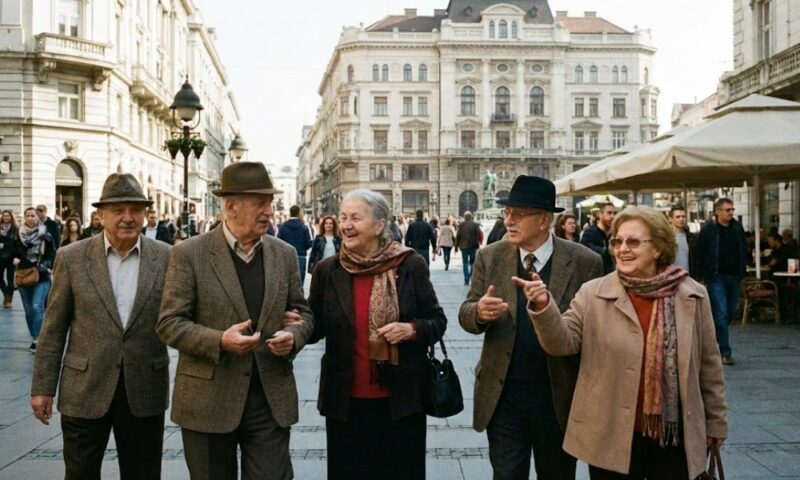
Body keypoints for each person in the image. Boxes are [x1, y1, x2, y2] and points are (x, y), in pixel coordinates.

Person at [522, 206, 728, 480]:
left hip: (673, 435)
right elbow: (563, 343)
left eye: (633, 242)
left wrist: (716, 423)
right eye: (617, 241)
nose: (622, 249)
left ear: (658, 248)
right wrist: (544, 307)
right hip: (612, 434)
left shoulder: (692, 295)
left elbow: (709, 367)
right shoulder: (594, 293)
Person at [157, 161, 314, 480]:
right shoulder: (189, 254)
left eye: (270, 202)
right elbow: (169, 323)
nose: (270, 211)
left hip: (268, 398)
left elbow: (304, 313)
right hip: (208, 401)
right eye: (260, 203)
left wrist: (293, 336)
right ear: (230, 206)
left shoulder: (283, 254)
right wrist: (219, 340)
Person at [459, 175, 603, 480]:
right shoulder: (491, 256)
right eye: (507, 213)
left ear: (544, 220)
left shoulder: (584, 261)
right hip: (504, 395)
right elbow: (467, 313)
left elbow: (594, 331)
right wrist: (480, 313)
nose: (509, 221)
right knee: (507, 475)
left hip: (558, 396)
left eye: (519, 214)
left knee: (557, 474)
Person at [30, 174, 171, 479]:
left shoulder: (166, 257)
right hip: (84, 388)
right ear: (101, 215)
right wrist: (43, 387)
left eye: (135, 210)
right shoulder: (72, 258)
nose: (127, 217)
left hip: (144, 387)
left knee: (143, 473)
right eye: (118, 210)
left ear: (145, 215)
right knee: (80, 473)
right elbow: (53, 328)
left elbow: (183, 317)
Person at [308, 189, 447, 480]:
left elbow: (437, 320)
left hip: (401, 398)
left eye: (355, 218)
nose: (345, 224)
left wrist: (411, 330)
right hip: (345, 400)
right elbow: (315, 326)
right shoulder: (328, 271)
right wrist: (292, 324)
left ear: (379, 225)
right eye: (343, 217)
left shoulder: (410, 264)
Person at [696, 198, 747, 366]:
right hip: (716, 276)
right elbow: (700, 253)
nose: (731, 213)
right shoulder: (709, 230)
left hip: (734, 275)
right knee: (721, 312)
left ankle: (717, 336)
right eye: (727, 210)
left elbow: (743, 249)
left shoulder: (737, 228)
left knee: (731, 310)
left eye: (732, 209)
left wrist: (742, 270)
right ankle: (725, 351)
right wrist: (702, 275)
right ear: (718, 212)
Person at [12, 207, 56, 352]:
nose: (30, 218)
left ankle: (38, 340)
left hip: (41, 275)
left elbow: (52, 254)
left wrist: (46, 265)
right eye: (28, 215)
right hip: (24, 275)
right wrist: (15, 258)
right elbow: (12, 252)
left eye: (33, 215)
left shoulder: (45, 234)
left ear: (38, 218)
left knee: (37, 306)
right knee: (29, 310)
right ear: (24, 217)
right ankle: (34, 336)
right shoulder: (18, 234)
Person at [278, 205, 313, 285]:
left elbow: (279, 242)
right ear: (298, 213)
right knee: (299, 284)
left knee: (287, 283)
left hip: (286, 257)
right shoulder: (304, 227)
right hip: (300, 257)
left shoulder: (283, 227)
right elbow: (307, 244)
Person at [581, 202, 616, 274]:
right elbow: (586, 251)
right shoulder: (590, 232)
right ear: (600, 214)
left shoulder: (613, 234)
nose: (612, 216)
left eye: (614, 213)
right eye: (609, 213)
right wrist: (607, 251)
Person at [668, 206, 699, 279]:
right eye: (678, 217)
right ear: (670, 219)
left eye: (683, 216)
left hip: (688, 278)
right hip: (670, 279)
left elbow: (696, 260)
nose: (681, 219)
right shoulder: (666, 238)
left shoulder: (692, 238)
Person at [455, 211, 482, 285]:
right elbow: (479, 234)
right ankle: (470, 276)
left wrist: (456, 247)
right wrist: (480, 242)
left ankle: (466, 279)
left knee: (465, 263)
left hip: (464, 247)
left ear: (464, 217)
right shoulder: (475, 225)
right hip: (474, 246)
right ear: (471, 217)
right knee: (472, 263)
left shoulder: (461, 225)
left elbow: (458, 236)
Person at [0, 209, 18, 308]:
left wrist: (4, 245)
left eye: (8, 215)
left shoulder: (15, 229)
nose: (6, 217)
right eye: (4, 215)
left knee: (10, 279)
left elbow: (16, 244)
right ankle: (7, 294)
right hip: (0, 257)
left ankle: (9, 300)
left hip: (11, 257)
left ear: (11, 217)